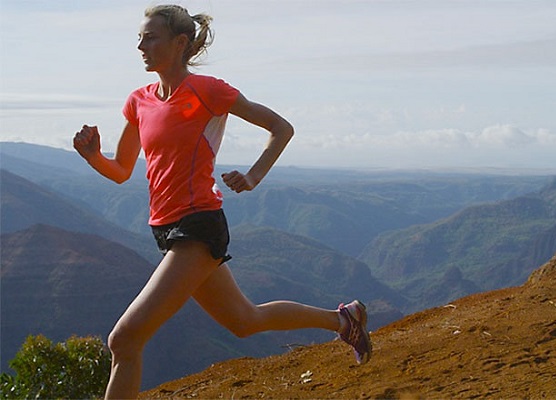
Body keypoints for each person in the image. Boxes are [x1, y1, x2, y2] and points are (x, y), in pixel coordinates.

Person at [72, 5, 372, 399]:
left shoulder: (208, 91)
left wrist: (252, 176)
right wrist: (93, 156)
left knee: (124, 340)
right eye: (140, 38)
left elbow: (281, 127)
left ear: (180, 43)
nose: (140, 46)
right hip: (165, 229)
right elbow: (122, 169)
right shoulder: (138, 101)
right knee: (245, 320)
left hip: (197, 226)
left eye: (150, 37)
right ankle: (344, 320)